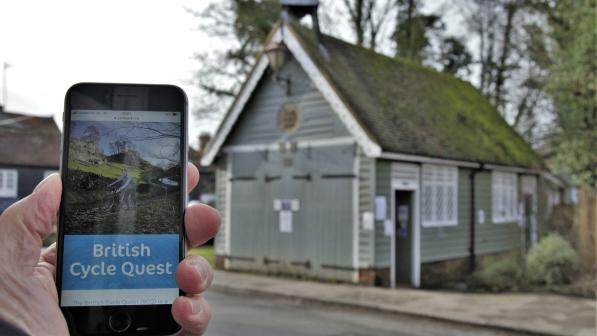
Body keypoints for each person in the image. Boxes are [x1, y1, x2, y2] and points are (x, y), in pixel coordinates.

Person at [0, 163, 220, 335]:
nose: (124, 170)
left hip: (130, 192)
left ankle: (126, 210)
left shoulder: (130, 177)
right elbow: (118, 183)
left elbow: (124, 184)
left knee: (127, 201)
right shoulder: (124, 175)